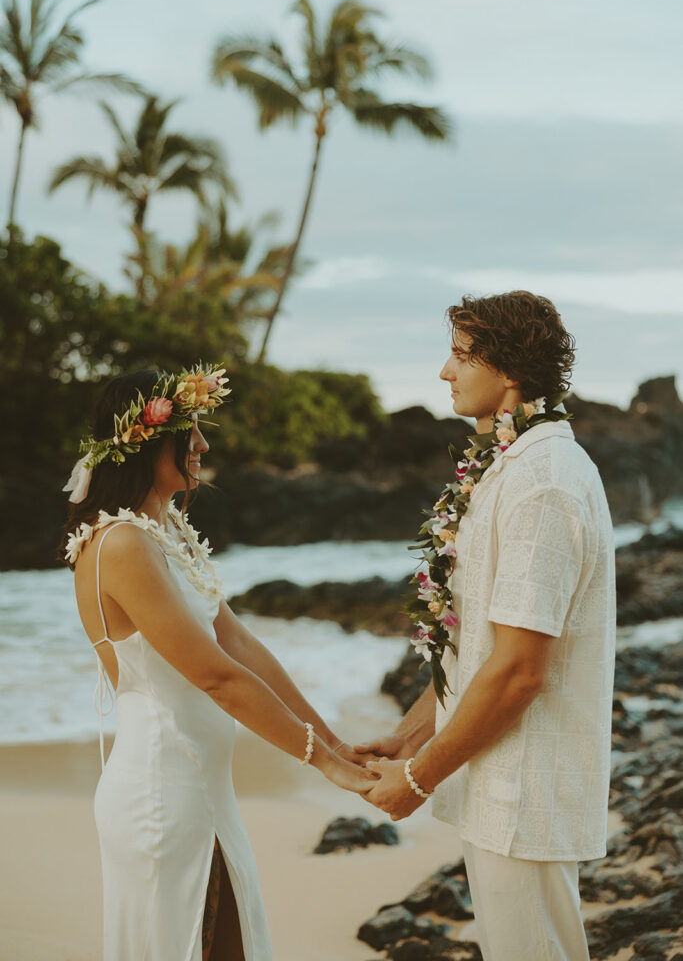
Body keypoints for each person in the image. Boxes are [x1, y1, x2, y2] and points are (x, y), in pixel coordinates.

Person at [60, 364, 374, 961]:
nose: (202, 444)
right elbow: (216, 677)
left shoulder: (164, 529)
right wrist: (325, 768)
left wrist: (335, 743)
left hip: (204, 788)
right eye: (192, 430)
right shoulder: (122, 544)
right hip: (162, 792)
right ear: (147, 439)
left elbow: (241, 647)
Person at [358, 291, 616, 961]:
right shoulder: (510, 463)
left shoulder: (544, 481)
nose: (445, 372)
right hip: (497, 779)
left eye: (460, 355)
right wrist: (409, 736)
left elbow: (519, 669)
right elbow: (473, 643)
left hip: (526, 789)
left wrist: (418, 780)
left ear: (508, 372)